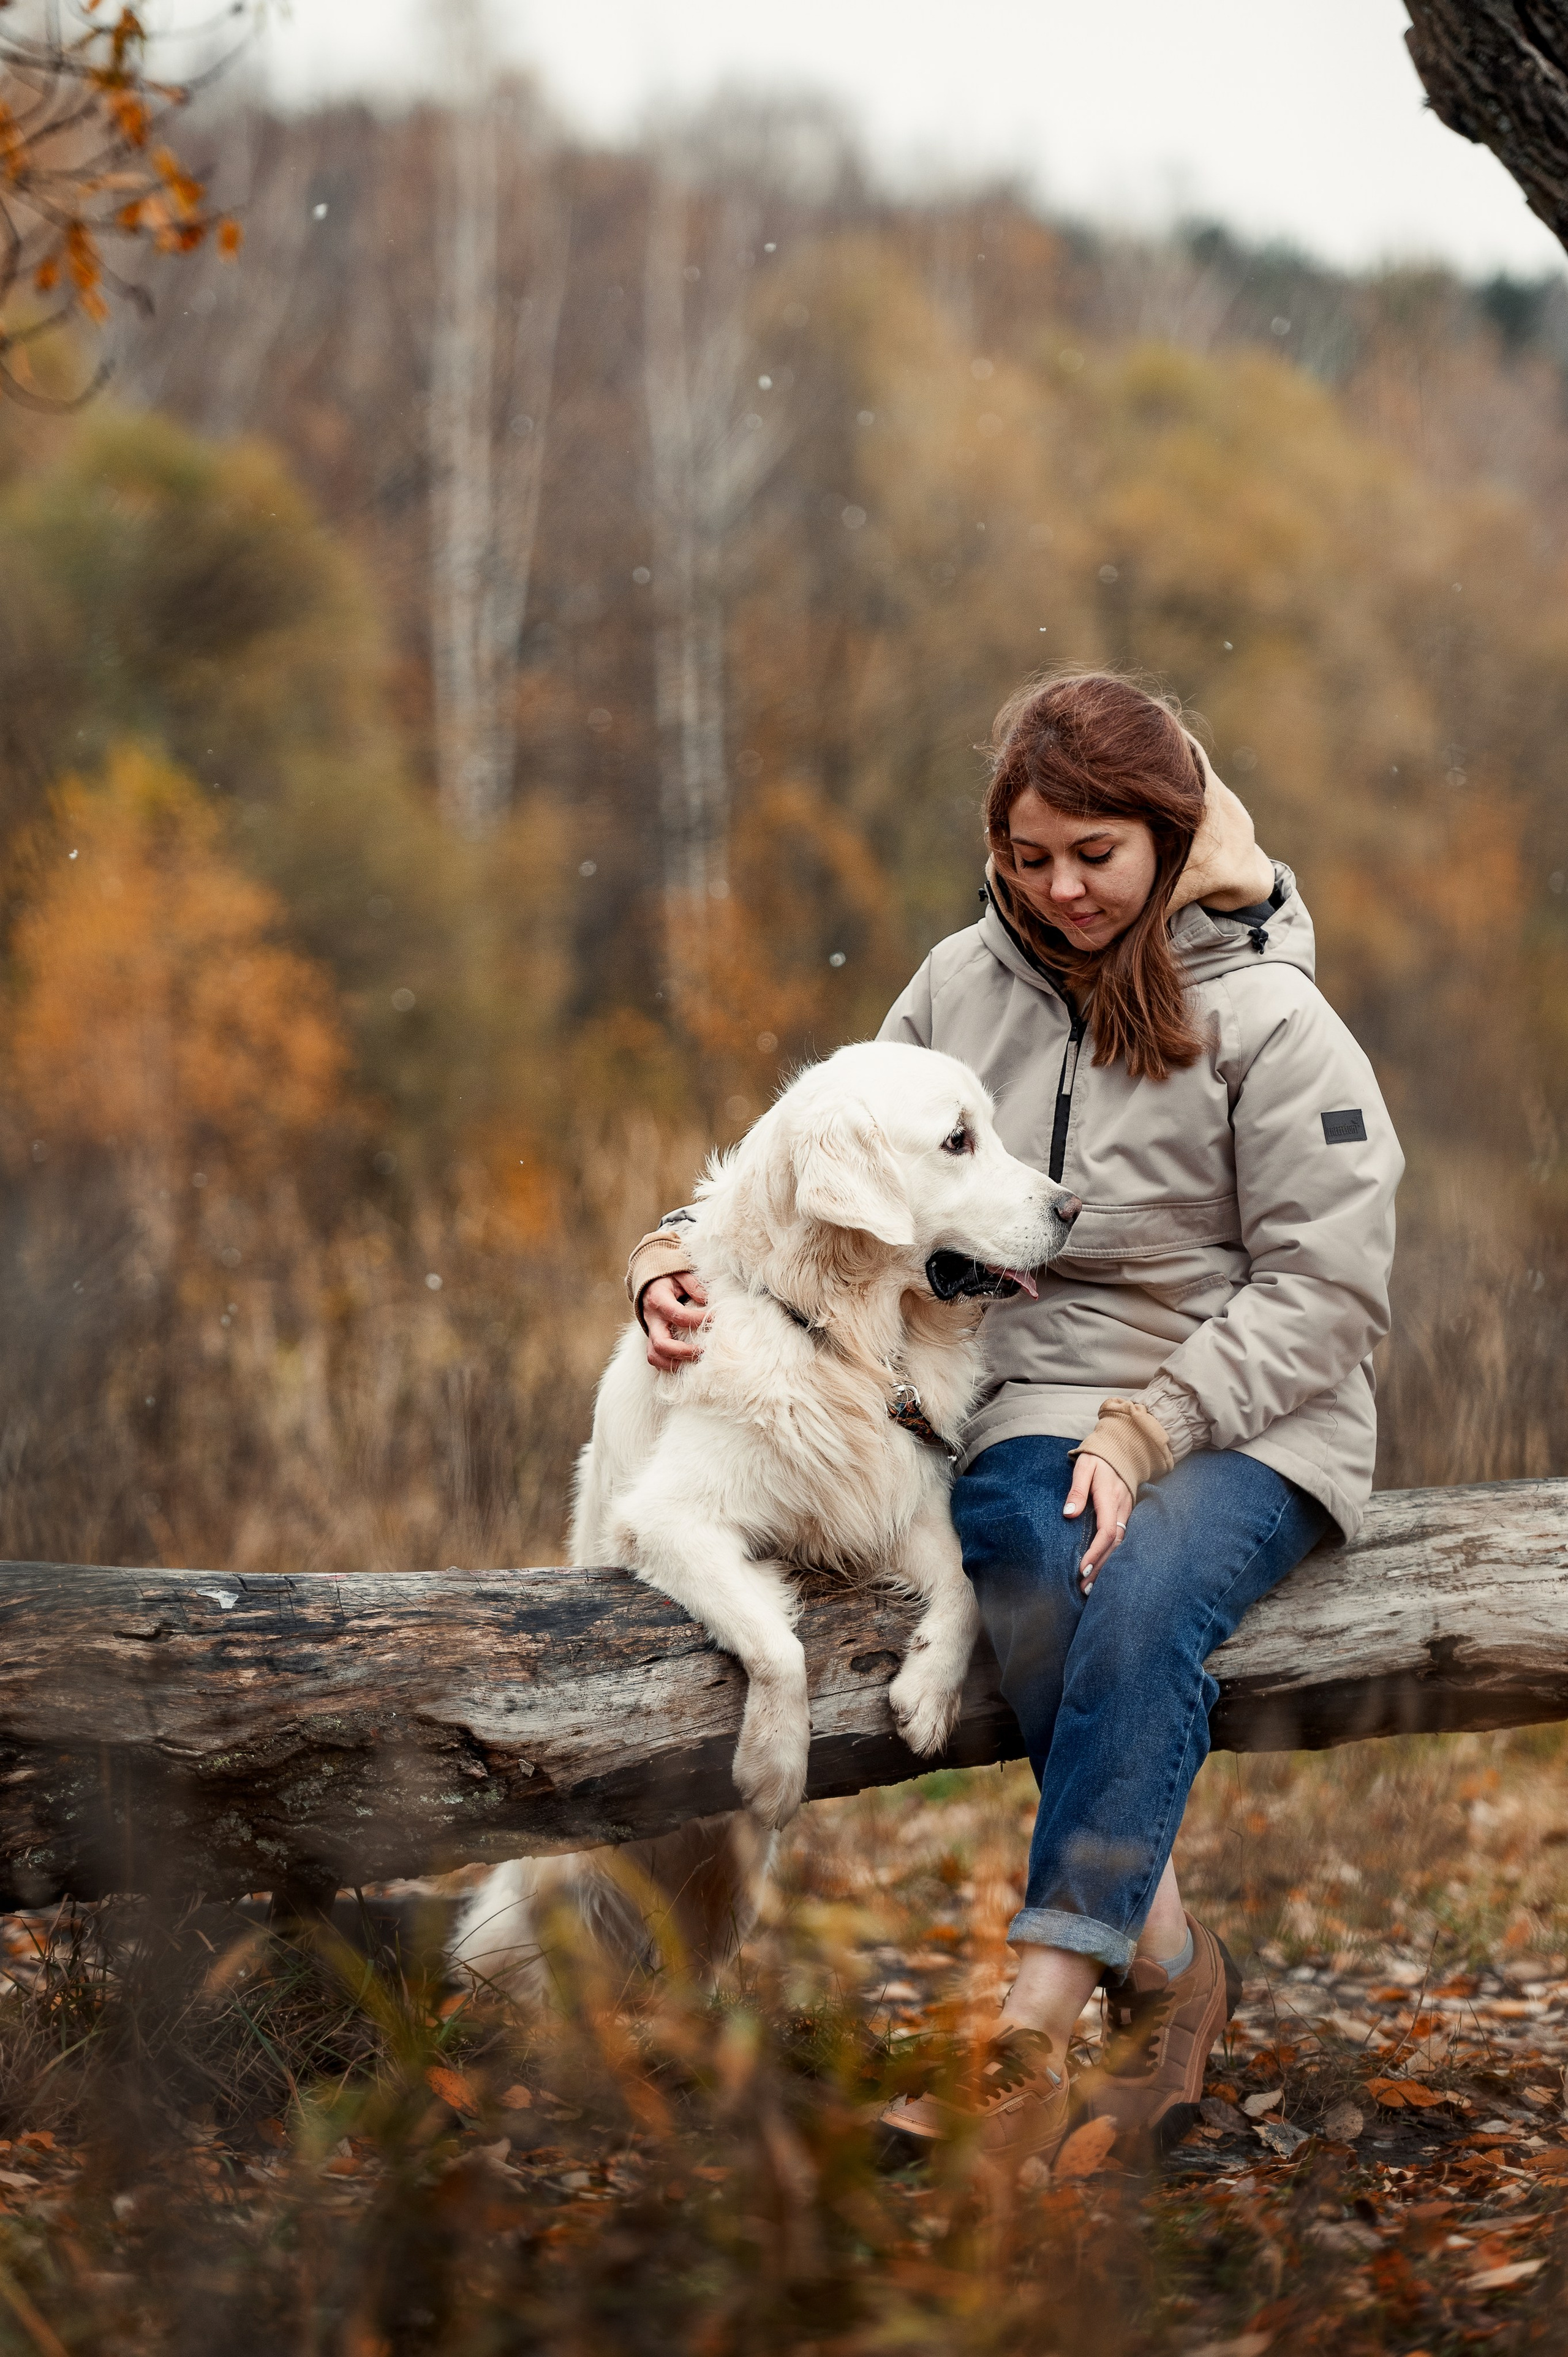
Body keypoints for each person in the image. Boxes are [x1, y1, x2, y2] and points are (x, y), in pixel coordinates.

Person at [625, 671, 1402, 2162]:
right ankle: (1171, 1967)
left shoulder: (1276, 1020)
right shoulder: (955, 985)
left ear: (1169, 840)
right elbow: (822, 1157)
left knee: (1145, 1583)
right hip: (1023, 1403)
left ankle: (1033, 2029)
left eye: (1095, 856)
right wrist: (669, 1248)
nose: (1059, 890)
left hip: (1251, 1415)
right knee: (1036, 1575)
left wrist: (1149, 1430)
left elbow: (1328, 1292)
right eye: (1027, 857)